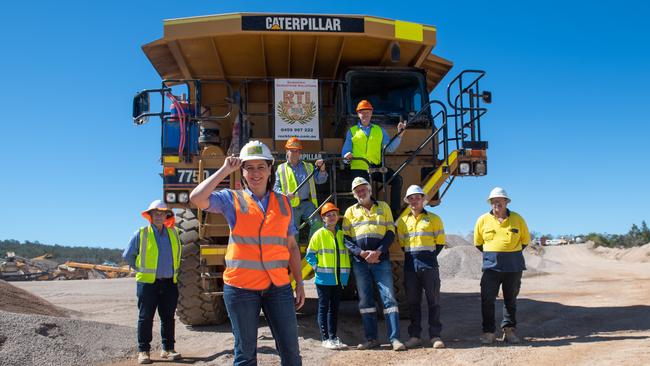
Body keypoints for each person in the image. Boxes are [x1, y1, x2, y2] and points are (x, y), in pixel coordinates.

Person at [190, 140, 305, 366]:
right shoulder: (231, 199)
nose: (255, 173)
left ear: (270, 169)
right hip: (241, 288)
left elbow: (291, 247)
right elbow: (196, 198)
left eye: (260, 167)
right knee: (245, 355)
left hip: (278, 287)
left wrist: (299, 282)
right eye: (249, 167)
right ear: (241, 171)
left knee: (291, 353)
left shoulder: (283, 203)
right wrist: (224, 170)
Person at [342, 177, 406, 351]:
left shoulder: (383, 207)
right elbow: (346, 238)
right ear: (354, 194)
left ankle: (395, 339)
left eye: (364, 189)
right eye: (358, 191)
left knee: (389, 298)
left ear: (370, 190)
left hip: (380, 259)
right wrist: (361, 253)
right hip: (360, 261)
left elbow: (391, 233)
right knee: (365, 301)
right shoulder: (350, 212)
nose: (361, 193)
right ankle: (371, 339)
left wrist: (378, 251)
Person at [123, 200, 182, 364]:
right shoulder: (141, 233)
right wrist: (140, 269)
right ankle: (143, 351)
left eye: (162, 213)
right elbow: (128, 255)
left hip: (170, 283)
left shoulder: (174, 234)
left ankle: (168, 349)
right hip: (148, 284)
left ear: (166, 216)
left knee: (168, 318)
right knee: (145, 318)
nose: (159, 216)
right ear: (149, 216)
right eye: (155, 213)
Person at [474, 187, 530, 345]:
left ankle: (509, 331)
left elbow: (525, 241)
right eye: (493, 201)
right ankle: (489, 333)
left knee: (510, 299)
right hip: (491, 267)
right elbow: (478, 243)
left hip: (513, 266)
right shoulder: (482, 220)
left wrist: (509, 253)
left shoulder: (518, 219)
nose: (496, 203)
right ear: (490, 203)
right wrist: (494, 255)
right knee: (487, 300)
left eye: (500, 200)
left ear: (507, 202)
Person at [396, 185, 446, 349]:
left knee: (434, 302)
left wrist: (427, 257)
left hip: (429, 265)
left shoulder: (434, 219)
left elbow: (439, 243)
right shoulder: (403, 221)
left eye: (418, 197)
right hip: (411, 266)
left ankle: (435, 336)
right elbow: (403, 244)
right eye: (411, 198)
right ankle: (415, 336)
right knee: (413, 303)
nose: (414, 200)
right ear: (408, 201)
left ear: (423, 200)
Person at [341, 99, 406, 215]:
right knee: (366, 192)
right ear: (358, 114)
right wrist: (347, 156)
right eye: (362, 112)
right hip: (359, 168)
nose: (365, 114)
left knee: (397, 179)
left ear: (371, 113)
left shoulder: (379, 130)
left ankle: (394, 212)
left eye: (367, 112)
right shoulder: (352, 131)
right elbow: (345, 152)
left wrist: (400, 135)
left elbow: (389, 148)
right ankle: (368, 214)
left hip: (376, 167)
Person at [305, 202, 351, 350]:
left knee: (334, 309)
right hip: (324, 279)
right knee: (324, 308)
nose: (331, 217)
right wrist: (317, 268)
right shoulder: (319, 234)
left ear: (338, 217)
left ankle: (333, 336)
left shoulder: (341, 234)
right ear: (323, 218)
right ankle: (325, 338)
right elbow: (310, 254)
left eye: (333, 214)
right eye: (328, 215)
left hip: (339, 278)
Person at [274, 136, 328, 239]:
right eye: (292, 151)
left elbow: (320, 180)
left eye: (297, 151)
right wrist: (285, 195)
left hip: (307, 203)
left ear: (300, 153)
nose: (295, 153)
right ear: (287, 151)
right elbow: (275, 188)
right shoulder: (280, 169)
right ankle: (296, 254)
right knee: (293, 234)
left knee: (318, 224)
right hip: (291, 205)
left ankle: (311, 251)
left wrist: (322, 170)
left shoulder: (308, 166)